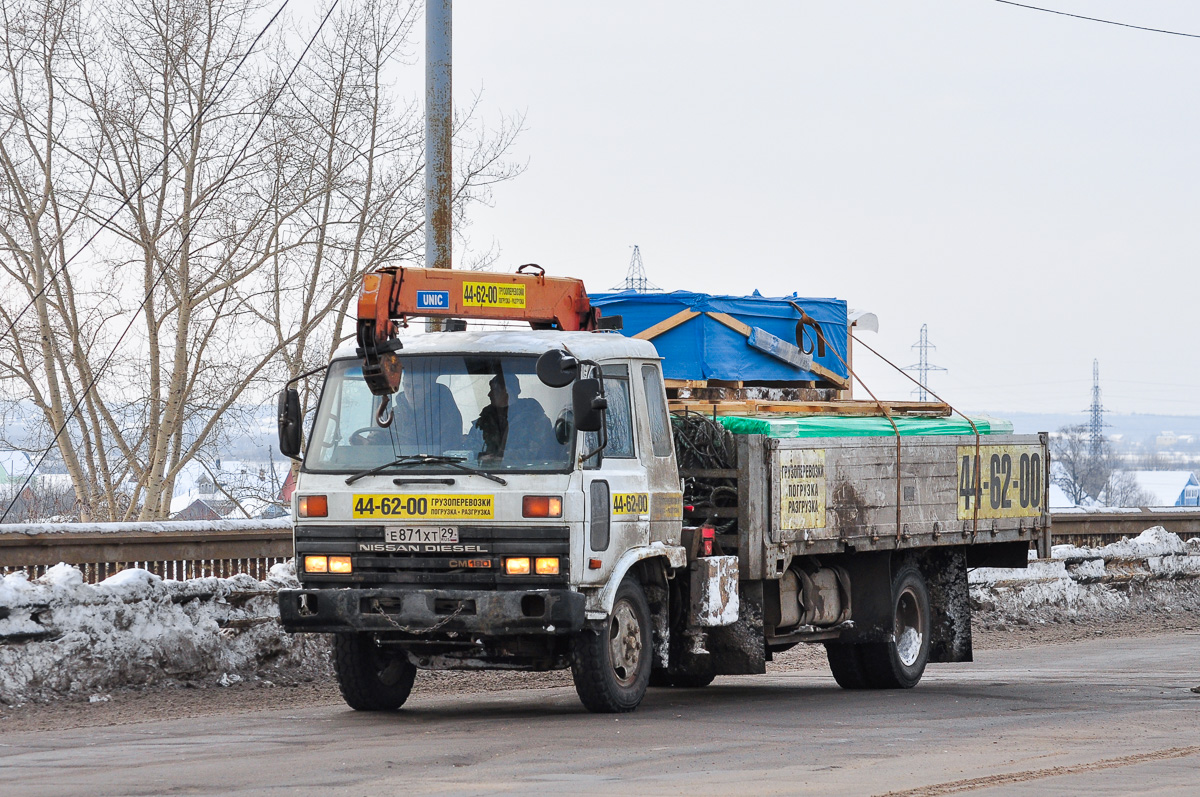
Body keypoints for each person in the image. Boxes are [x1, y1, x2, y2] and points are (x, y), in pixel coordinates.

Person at [469, 373, 558, 465]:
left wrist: (500, 457)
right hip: (477, 476)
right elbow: (468, 451)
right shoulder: (483, 422)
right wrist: (479, 456)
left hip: (525, 476)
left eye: (494, 390)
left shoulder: (535, 421)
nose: (489, 394)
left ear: (507, 392)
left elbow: (538, 453)